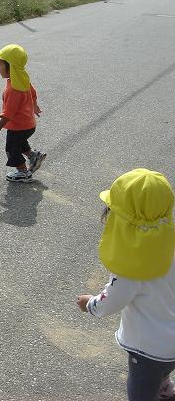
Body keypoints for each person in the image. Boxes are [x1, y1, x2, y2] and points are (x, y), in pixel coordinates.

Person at [76, 169, 175, 401]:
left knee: (140, 388)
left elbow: (113, 300)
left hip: (148, 349)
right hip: (170, 346)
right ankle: (165, 388)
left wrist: (89, 304)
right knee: (163, 369)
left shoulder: (133, 262)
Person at [0, 44, 45, 183]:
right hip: (28, 125)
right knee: (19, 142)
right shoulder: (22, 78)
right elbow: (32, 93)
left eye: (0, 65)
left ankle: (23, 172)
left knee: (12, 148)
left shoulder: (13, 88)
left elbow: (9, 112)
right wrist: (35, 106)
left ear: (10, 67)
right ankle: (33, 156)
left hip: (18, 126)